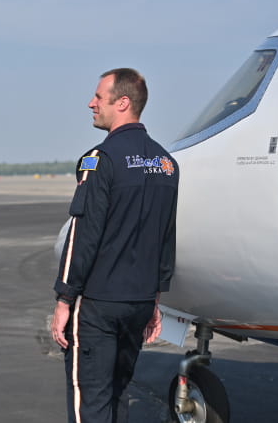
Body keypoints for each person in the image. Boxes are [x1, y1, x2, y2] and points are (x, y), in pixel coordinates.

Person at [51, 68, 179, 423]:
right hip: (139, 303)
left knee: (90, 401)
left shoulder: (99, 160)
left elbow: (83, 235)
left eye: (98, 97)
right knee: (119, 394)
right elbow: (165, 238)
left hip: (100, 306)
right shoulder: (167, 163)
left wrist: (64, 299)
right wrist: (155, 299)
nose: (90, 103)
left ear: (122, 102)